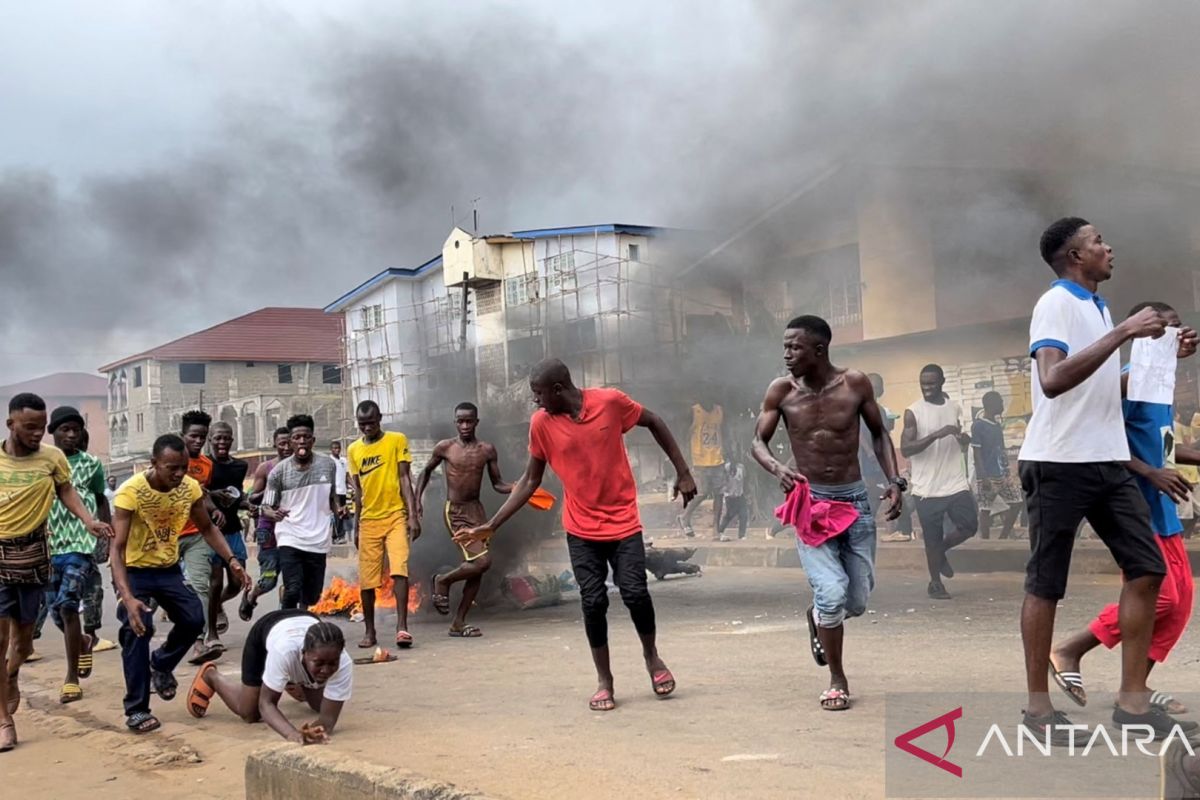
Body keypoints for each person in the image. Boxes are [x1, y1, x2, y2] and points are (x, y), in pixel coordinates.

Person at [1017, 217, 1189, 742]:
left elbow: (1096, 388)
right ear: (1074, 255)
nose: (1108, 246)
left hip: (1107, 460)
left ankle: (1132, 703)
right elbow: (1052, 380)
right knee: (1046, 583)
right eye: (1097, 242)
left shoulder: (1096, 306)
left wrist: (1157, 356)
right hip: (1058, 462)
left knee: (1146, 570)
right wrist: (1124, 332)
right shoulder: (1057, 303)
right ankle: (1039, 714)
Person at [457, 359, 696, 712]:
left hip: (623, 521)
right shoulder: (541, 424)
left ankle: (653, 658)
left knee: (635, 593)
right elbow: (529, 481)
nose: (534, 402)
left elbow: (654, 421)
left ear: (557, 389)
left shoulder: (610, 402)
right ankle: (605, 680)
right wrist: (493, 524)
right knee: (593, 601)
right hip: (581, 528)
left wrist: (683, 471)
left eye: (538, 394)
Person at [1049, 301, 1199, 719]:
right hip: (1133, 502)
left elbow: (1163, 445)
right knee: (1163, 598)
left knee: (1180, 600)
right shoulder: (1127, 381)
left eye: (1177, 329)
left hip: (1162, 504)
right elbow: (1101, 438)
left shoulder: (1159, 384)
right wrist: (1151, 473)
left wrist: (1179, 462)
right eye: (1163, 330)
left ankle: (1134, 689)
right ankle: (1069, 649)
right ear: (1143, 337)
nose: (1175, 337)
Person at [751, 316, 903, 712]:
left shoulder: (855, 383)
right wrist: (777, 467)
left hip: (853, 501)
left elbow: (878, 433)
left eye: (794, 347)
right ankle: (837, 679)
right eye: (785, 347)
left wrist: (895, 480)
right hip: (811, 503)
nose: (786, 355)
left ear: (819, 350)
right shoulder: (781, 390)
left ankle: (818, 614)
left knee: (854, 601)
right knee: (832, 592)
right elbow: (758, 442)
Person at [110, 433, 250, 734]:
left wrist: (232, 561)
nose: (178, 474)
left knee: (194, 619)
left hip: (168, 569)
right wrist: (127, 596)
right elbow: (117, 548)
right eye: (171, 468)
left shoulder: (188, 488)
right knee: (138, 628)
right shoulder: (129, 493)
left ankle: (160, 664)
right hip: (134, 572)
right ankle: (136, 709)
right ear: (153, 464)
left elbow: (208, 527)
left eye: (183, 467)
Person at [1, 393, 113, 752]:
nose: (37, 434)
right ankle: (4, 719)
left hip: (35, 555)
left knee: (23, 642)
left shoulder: (53, 458)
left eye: (40, 427)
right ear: (10, 424)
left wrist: (89, 521)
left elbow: (66, 489)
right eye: (29, 427)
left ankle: (11, 675)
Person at [415, 402, 513, 638]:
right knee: (483, 562)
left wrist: (517, 487)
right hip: (455, 512)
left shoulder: (487, 450)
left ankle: (458, 623)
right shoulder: (445, 448)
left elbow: (498, 484)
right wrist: (417, 501)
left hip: (477, 511)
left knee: (477, 570)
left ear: (476, 422)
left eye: (469, 421)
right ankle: (442, 580)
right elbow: (425, 471)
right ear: (455, 422)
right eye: (461, 421)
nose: (465, 425)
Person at [185, 610, 350, 744]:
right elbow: (266, 704)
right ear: (304, 653)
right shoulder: (284, 652)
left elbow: (328, 720)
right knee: (250, 713)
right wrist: (293, 735)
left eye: (332, 663)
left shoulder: (343, 662)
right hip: (266, 629)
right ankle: (212, 677)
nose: (326, 670)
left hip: (305, 622)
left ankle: (288, 678)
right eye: (319, 663)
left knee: (320, 706)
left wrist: (312, 733)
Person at [42, 407, 112, 703]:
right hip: (47, 546)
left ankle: (71, 678)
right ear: (52, 432)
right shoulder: (42, 462)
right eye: (64, 430)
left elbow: (99, 498)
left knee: (69, 605)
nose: (71, 435)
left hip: (80, 544)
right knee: (55, 609)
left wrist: (108, 536)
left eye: (76, 430)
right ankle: (82, 641)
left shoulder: (91, 464)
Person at [901, 364, 978, 599]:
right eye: (923, 383)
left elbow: (958, 440)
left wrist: (963, 439)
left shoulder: (954, 407)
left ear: (942, 382)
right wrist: (935, 434)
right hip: (927, 489)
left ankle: (940, 550)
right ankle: (935, 583)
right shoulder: (913, 411)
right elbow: (905, 449)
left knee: (969, 525)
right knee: (931, 537)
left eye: (932, 383)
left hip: (954, 482)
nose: (927, 388)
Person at [347, 400, 419, 649]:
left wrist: (412, 515)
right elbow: (357, 491)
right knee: (367, 581)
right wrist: (356, 526)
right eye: (362, 424)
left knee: (400, 570)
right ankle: (369, 632)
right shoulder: (353, 450)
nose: (367, 428)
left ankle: (402, 628)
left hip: (396, 516)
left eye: (371, 422)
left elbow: (404, 478)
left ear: (380, 418)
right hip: (369, 520)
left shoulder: (397, 440)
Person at [263, 415, 341, 610]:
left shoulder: (328, 465)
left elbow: (332, 497)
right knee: (293, 589)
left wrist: (339, 509)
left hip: (318, 538)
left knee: (312, 596)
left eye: (306, 437)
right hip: (290, 536)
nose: (301, 441)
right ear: (290, 442)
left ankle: (302, 619)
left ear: (313, 440)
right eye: (297, 437)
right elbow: (266, 506)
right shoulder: (278, 472)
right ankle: (285, 627)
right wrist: (274, 514)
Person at [174, 411, 223, 665]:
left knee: (200, 587)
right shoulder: (168, 460)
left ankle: (199, 642)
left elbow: (203, 495)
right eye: (193, 436)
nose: (198, 441)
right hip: (168, 535)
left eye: (202, 437)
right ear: (182, 435)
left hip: (196, 534)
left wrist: (214, 509)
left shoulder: (207, 465)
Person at [204, 420, 249, 654]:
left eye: (226, 438)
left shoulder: (240, 466)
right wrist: (213, 497)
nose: (222, 442)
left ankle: (217, 604)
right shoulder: (204, 465)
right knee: (214, 583)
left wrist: (248, 503)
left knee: (237, 582)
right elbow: (197, 493)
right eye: (218, 438)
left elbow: (238, 494)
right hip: (210, 532)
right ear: (210, 440)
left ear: (232, 440)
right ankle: (211, 633)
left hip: (232, 530)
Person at [240, 427, 292, 621]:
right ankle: (252, 596)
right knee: (269, 579)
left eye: (289, 443)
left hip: (293, 529)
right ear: (274, 445)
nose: (286, 447)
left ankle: (284, 616)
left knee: (292, 578)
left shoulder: (301, 468)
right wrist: (270, 489)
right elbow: (251, 497)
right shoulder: (266, 468)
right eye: (282, 444)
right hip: (268, 529)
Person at [971, 391, 1022, 541]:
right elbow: (977, 453)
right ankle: (985, 542)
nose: (1002, 405)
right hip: (987, 476)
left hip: (1001, 475)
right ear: (991, 404)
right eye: (1000, 402)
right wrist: (983, 476)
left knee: (1017, 502)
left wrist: (1007, 472)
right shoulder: (978, 426)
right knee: (985, 510)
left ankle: (1003, 537)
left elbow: (1001, 451)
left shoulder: (997, 426)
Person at [677, 399, 727, 538]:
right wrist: (685, 459)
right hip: (700, 460)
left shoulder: (719, 410)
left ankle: (716, 530)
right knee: (703, 492)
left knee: (719, 494)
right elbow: (685, 436)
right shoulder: (694, 411)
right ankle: (685, 516)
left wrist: (725, 452)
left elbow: (721, 433)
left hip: (717, 458)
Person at [1173, 405, 1200, 538]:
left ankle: (1187, 537)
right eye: (1186, 410)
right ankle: (1180, 538)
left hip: (1194, 475)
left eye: (1191, 411)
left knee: (1197, 510)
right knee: (1184, 512)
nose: (1189, 414)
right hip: (1181, 475)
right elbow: (1180, 450)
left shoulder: (1193, 427)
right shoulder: (1175, 426)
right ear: (1178, 413)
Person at [717, 449, 749, 541]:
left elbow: (744, 480)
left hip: (740, 494)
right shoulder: (726, 468)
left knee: (744, 515)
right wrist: (725, 490)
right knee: (729, 515)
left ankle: (742, 535)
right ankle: (720, 530)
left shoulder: (742, 467)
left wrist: (746, 492)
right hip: (730, 496)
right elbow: (723, 480)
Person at [330, 441, 349, 544]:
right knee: (337, 513)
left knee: (342, 514)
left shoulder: (343, 461)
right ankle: (335, 537)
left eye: (338, 448)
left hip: (343, 491)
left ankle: (340, 536)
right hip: (334, 492)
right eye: (334, 448)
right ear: (331, 449)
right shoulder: (330, 461)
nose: (336, 450)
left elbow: (347, 476)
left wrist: (355, 487)